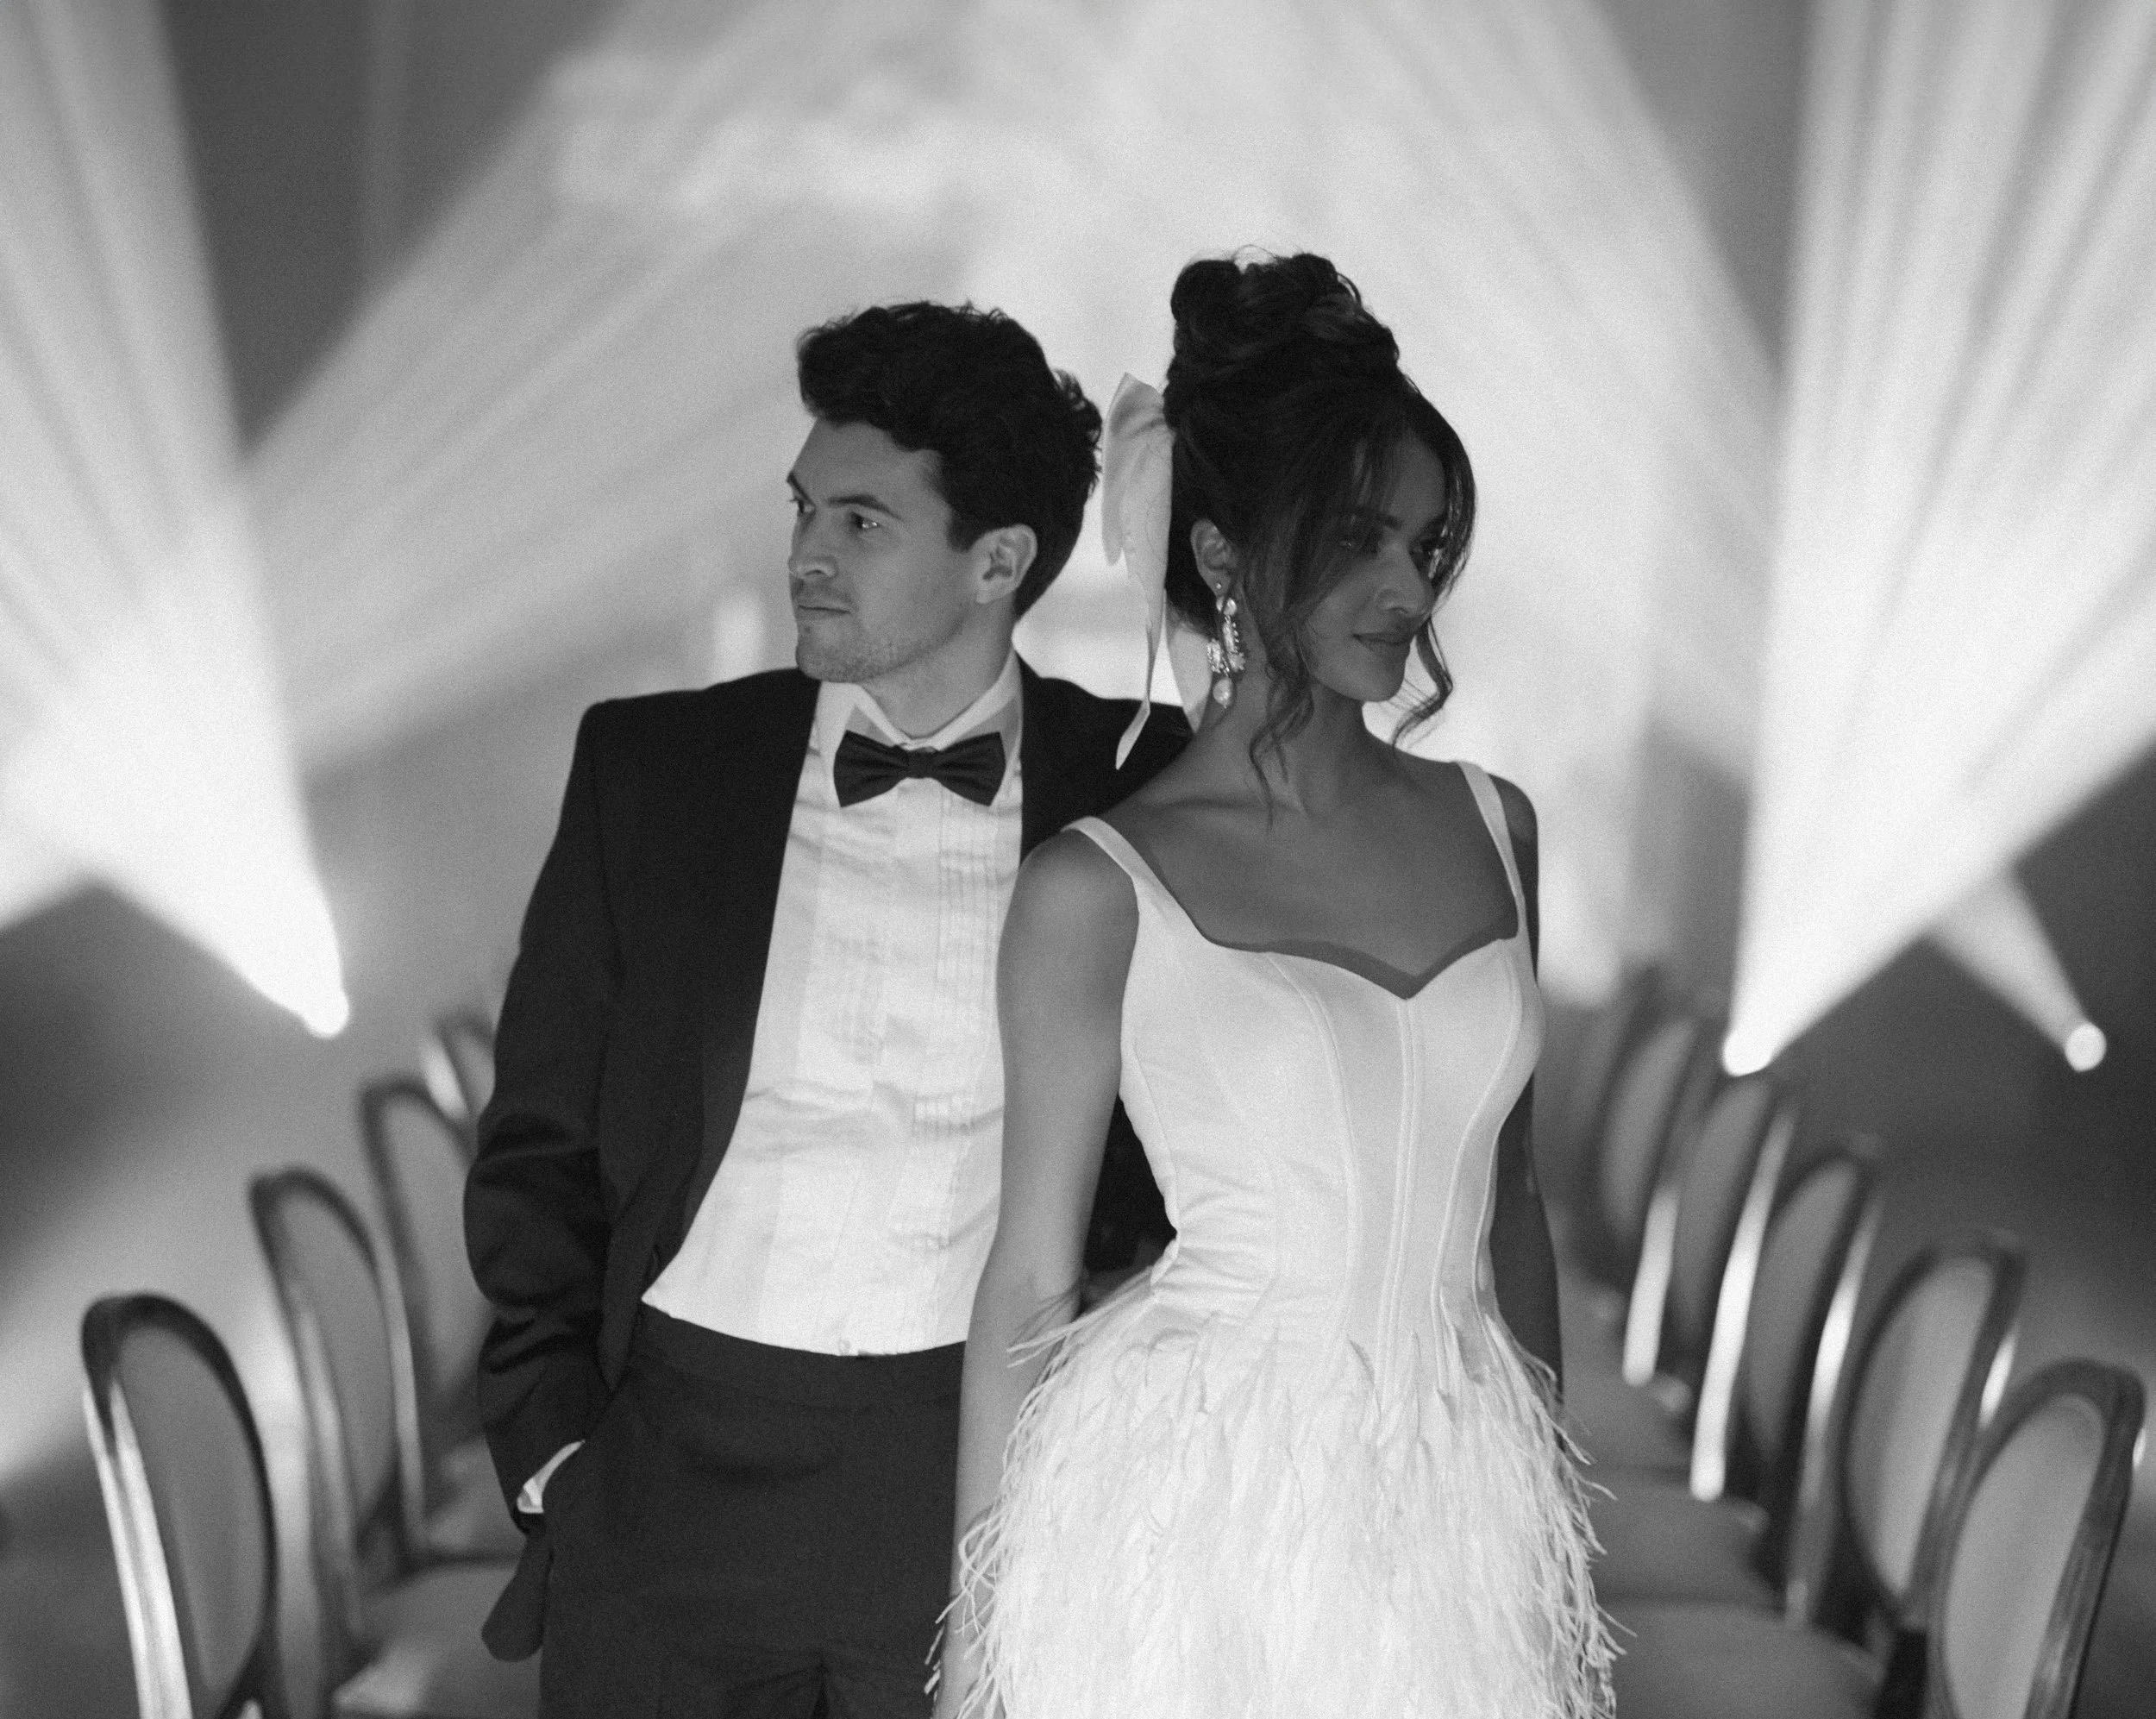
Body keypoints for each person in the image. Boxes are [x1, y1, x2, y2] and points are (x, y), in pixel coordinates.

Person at [465, 300, 1187, 1718]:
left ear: (1000, 560)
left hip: (977, 1481)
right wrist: (559, 1454)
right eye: (805, 508)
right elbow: (534, 1143)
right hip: (669, 1473)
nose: (804, 551)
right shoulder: (653, 770)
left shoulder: (1144, 786)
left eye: (861, 523)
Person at [936, 254, 1614, 1718]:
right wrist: (977, 1662)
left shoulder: (1498, 825)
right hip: (1198, 1501)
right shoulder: (1098, 885)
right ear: (1229, 554)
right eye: (1362, 538)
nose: (1406, 586)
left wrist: (1548, 1535)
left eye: (1428, 545)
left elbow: (1520, 1212)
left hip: (1462, 1480)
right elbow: (1033, 1282)